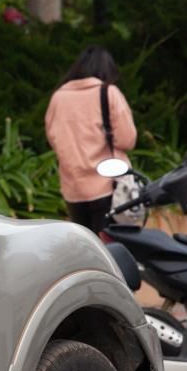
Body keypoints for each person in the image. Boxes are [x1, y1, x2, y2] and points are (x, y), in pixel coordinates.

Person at [45, 46, 137, 233]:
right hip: (108, 187)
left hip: (73, 190)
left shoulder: (58, 98)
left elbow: (53, 139)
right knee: (112, 252)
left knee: (87, 251)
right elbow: (127, 140)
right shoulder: (108, 93)